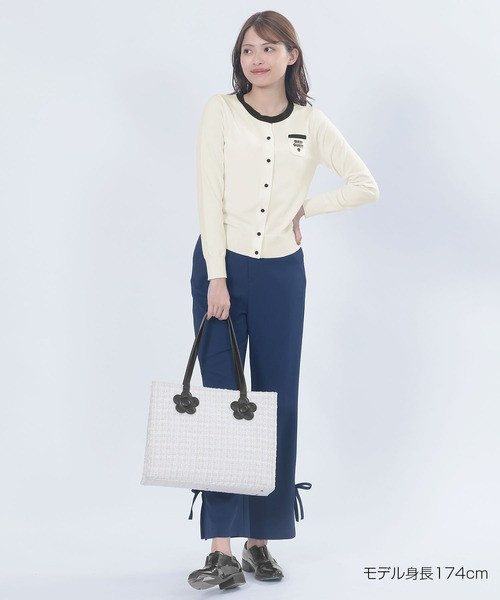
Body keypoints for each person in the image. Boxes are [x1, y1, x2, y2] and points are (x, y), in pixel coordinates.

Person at [187, 10, 379, 591]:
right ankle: (220, 549)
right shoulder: (220, 111)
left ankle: (259, 542)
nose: (257, 59)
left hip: (282, 277)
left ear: (292, 55)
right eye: (248, 49)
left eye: (270, 48)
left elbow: (365, 185)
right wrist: (217, 277)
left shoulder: (311, 122)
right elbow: (209, 194)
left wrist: (306, 210)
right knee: (225, 403)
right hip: (220, 271)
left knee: (275, 402)